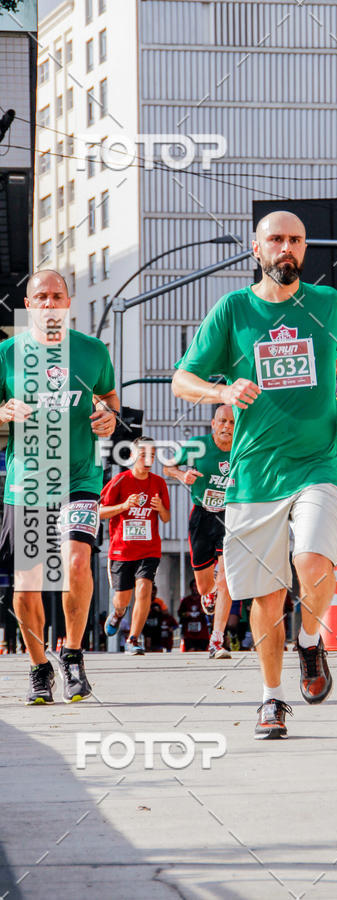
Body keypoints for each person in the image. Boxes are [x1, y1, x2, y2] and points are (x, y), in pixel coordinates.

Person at [172, 209, 337, 739]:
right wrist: (222, 391)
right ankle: (271, 697)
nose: (287, 248)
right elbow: (182, 379)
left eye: (296, 240)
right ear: (256, 249)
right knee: (265, 594)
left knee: (312, 560)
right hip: (255, 473)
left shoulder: (328, 304)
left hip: (321, 462)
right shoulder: (233, 309)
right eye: (277, 239)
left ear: (304, 250)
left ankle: (309, 640)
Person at [0, 270, 119, 704]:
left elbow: (108, 398)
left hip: (79, 477)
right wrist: (4, 411)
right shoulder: (7, 353)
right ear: (28, 305)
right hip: (28, 482)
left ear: (69, 302)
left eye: (57, 296)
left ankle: (72, 654)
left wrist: (107, 414)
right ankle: (37, 667)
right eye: (41, 298)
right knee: (28, 583)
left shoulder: (92, 351)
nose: (50, 304)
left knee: (76, 563)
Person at [163, 405, 235, 659]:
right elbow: (167, 467)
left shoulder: (243, 447)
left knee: (226, 578)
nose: (227, 426)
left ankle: (217, 640)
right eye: (223, 421)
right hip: (202, 516)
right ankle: (210, 593)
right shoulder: (197, 445)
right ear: (213, 424)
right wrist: (182, 474)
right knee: (205, 585)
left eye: (232, 422)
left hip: (231, 516)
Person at [101, 436, 170, 654]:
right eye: (143, 454)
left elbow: (167, 518)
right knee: (123, 600)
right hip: (122, 550)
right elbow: (100, 512)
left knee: (144, 591)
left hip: (149, 549)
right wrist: (123, 505)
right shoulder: (120, 480)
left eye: (151, 455)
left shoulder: (158, 482)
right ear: (132, 456)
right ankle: (118, 614)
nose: (147, 459)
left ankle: (133, 638)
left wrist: (160, 509)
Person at [178, 579, 210, 651]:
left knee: (201, 651)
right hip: (189, 633)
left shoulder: (204, 599)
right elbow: (180, 613)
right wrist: (186, 614)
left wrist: (205, 611)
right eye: (194, 586)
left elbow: (211, 612)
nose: (195, 588)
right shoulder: (186, 600)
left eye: (197, 586)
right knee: (190, 651)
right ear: (191, 588)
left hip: (202, 633)